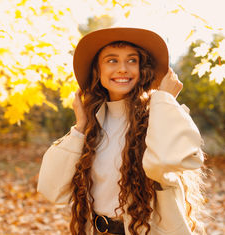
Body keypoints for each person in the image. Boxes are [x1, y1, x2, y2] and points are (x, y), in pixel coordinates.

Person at [37, 27, 206, 235]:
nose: (123, 68)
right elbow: (51, 189)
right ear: (98, 71)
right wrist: (80, 126)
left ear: (142, 68)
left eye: (132, 60)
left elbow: (162, 163)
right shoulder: (92, 127)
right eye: (112, 60)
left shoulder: (162, 116)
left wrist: (164, 100)